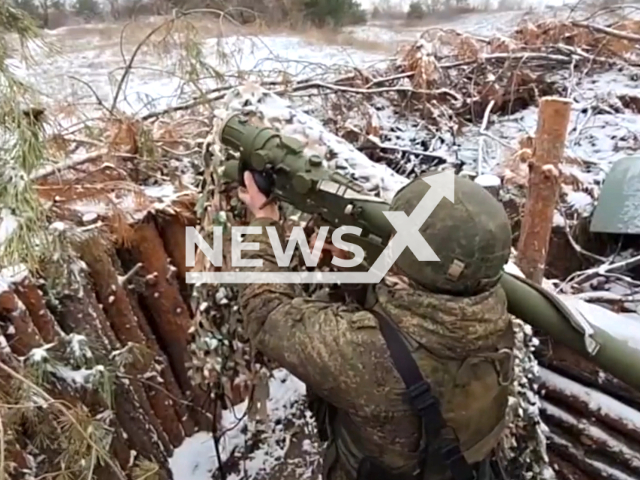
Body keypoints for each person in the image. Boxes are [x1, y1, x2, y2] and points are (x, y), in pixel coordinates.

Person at [235, 169, 515, 480]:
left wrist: (263, 223)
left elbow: (265, 313)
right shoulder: (492, 309)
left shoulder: (368, 351)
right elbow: (416, 311)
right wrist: (352, 269)